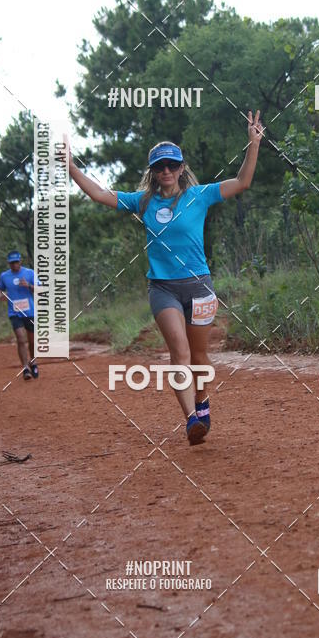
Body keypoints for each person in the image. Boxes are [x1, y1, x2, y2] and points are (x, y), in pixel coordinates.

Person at [68, 111, 265, 444]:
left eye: (172, 165)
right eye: (160, 167)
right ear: (153, 173)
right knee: (180, 353)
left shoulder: (199, 195)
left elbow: (243, 182)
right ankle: (191, 420)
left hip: (199, 285)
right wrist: (71, 167)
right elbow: (100, 195)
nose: (166, 172)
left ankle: (202, 405)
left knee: (200, 357)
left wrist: (253, 144)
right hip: (162, 289)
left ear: (181, 168)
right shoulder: (142, 202)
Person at [0, 251, 39, 380]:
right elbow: (0, 289)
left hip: (29, 312)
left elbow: (41, 289)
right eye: (11, 263)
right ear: (8, 263)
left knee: (32, 341)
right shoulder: (4, 276)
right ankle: (25, 368)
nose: (14, 265)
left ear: (20, 261)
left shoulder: (29, 273)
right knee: (21, 339)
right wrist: (1, 296)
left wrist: (29, 286)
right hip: (14, 312)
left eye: (16, 262)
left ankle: (33, 362)